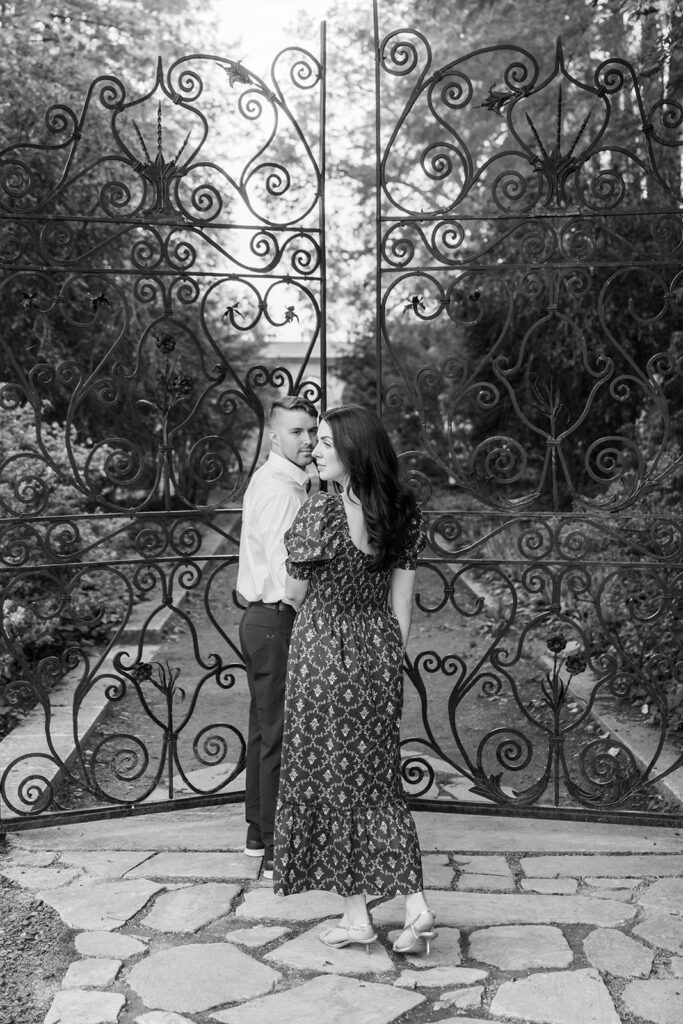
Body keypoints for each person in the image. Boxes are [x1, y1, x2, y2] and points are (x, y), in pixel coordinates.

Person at [273, 403, 436, 956]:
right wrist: (386, 659)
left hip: (322, 656)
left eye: (325, 443)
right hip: (378, 656)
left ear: (352, 450)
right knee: (378, 785)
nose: (315, 450)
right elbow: (402, 606)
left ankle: (359, 916)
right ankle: (411, 905)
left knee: (331, 784)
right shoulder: (402, 510)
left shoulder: (320, 511)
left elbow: (294, 594)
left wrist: (319, 619)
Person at [237, 394, 318, 879]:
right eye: (296, 432)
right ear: (274, 436)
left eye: (312, 430)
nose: (307, 440)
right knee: (280, 735)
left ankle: (256, 834)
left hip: (264, 621)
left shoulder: (282, 481)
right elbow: (291, 577)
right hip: (277, 620)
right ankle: (273, 847)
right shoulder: (281, 492)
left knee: (264, 731)